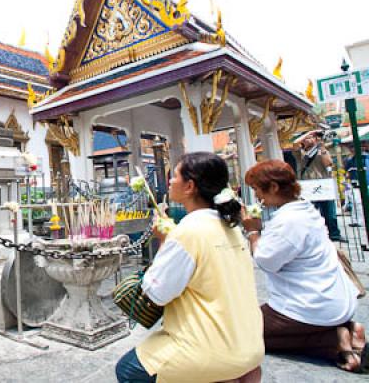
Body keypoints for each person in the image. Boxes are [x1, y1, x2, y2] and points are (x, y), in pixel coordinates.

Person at [115, 152, 264, 383]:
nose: (170, 181)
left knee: (128, 371)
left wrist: (164, 242)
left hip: (210, 349)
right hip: (250, 343)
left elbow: (156, 293)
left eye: (174, 176)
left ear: (190, 186)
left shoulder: (188, 231)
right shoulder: (231, 227)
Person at [243, 159, 367, 373]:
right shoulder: (305, 210)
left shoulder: (289, 221)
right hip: (333, 301)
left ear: (273, 187)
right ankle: (344, 331)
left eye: (256, 189)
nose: (256, 196)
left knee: (242, 334)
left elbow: (266, 261)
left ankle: (333, 342)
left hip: (309, 305)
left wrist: (253, 232)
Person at [291, 130, 344, 242]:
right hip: (308, 186)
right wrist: (310, 132)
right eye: (306, 138)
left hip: (323, 186)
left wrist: (322, 147)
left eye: (311, 137)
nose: (307, 139)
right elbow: (295, 143)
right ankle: (314, 235)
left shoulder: (322, 151)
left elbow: (328, 163)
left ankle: (334, 235)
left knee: (330, 214)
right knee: (311, 213)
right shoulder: (301, 153)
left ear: (315, 139)